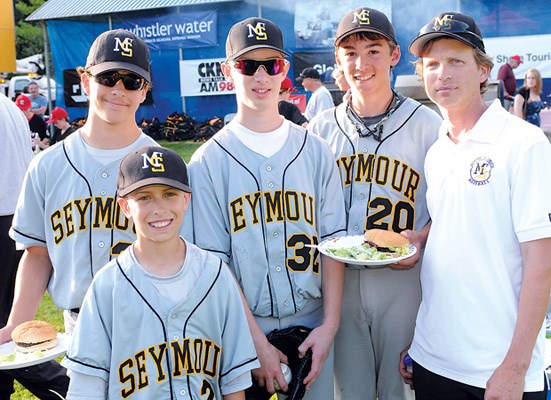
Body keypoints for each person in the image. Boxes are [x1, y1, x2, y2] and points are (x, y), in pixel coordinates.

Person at [187, 17, 347, 400]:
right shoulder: (208, 162)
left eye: (271, 64)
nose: (261, 76)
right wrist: (254, 343)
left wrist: (330, 326)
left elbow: (333, 244)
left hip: (315, 323)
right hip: (242, 329)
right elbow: (215, 263)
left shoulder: (315, 150)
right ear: (228, 71)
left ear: (284, 70)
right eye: (247, 65)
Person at [400, 11, 551, 400]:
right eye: (432, 64)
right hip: (433, 361)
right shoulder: (437, 148)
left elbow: (542, 262)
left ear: (483, 70)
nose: (443, 74)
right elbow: (457, 221)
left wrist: (514, 368)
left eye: (456, 62)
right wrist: (420, 238)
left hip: (498, 371)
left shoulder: (525, 144)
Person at [308, 6, 442, 400]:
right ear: (337, 60)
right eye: (350, 52)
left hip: (403, 283)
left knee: (402, 392)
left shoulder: (428, 125)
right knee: (348, 392)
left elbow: (454, 209)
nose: (361, 63)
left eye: (373, 50)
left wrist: (421, 238)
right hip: (338, 283)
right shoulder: (318, 130)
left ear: (394, 55)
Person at [62, 145, 259, 399]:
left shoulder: (216, 275)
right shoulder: (107, 286)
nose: (159, 208)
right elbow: (85, 389)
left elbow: (234, 380)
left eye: (169, 194)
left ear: (186, 199)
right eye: (144, 197)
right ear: (125, 207)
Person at [0, 29, 158, 346]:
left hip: (152, 325)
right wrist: (15, 326)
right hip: (78, 329)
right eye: (108, 77)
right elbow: (37, 255)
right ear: (85, 81)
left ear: (144, 91)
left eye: (132, 81)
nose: (118, 89)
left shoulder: (162, 165)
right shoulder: (47, 165)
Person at [0, 92, 69, 400]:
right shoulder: (9, 105)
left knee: (8, 332)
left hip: (8, 217)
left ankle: (72, 389)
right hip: (15, 219)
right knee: (7, 326)